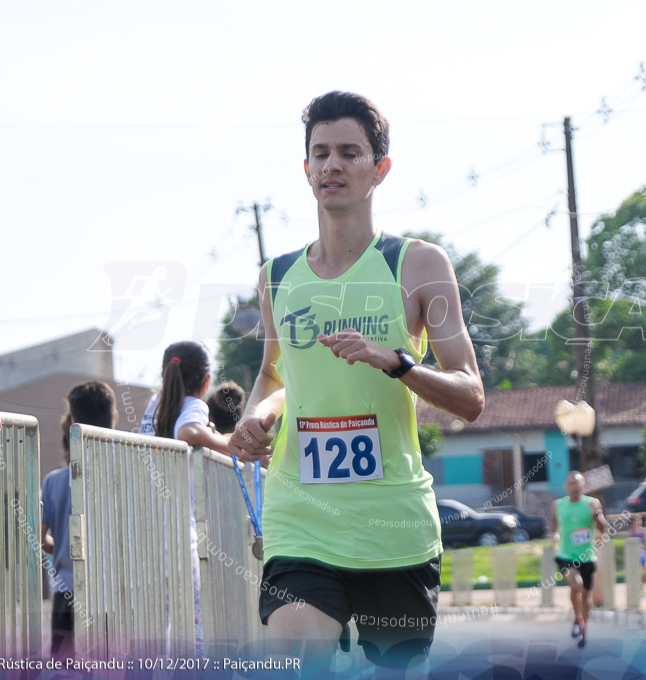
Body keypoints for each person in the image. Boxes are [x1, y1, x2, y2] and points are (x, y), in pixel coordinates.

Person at [230, 91, 484, 674]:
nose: (332, 165)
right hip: (300, 516)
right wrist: (257, 415)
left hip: (393, 527)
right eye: (320, 154)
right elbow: (275, 373)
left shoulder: (418, 264)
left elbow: (471, 396)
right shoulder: (277, 277)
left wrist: (396, 361)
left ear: (380, 169)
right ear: (306, 170)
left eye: (349, 152)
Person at [140, 340, 234, 657]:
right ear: (206, 382)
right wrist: (228, 445)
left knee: (154, 635)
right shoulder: (193, 406)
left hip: (143, 540)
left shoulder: (152, 406)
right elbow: (189, 431)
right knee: (196, 633)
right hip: (179, 541)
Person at [41, 380, 117, 659]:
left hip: (67, 589)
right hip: (113, 590)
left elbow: (40, 538)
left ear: (72, 422)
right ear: (115, 418)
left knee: (64, 664)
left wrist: (63, 546)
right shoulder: (126, 472)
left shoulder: (54, 482)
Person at [552, 471, 609, 648]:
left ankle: (584, 627)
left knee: (586, 596)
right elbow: (555, 523)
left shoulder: (592, 503)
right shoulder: (558, 505)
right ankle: (578, 618)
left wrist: (597, 514)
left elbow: (603, 528)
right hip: (565, 555)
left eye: (577, 483)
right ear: (566, 487)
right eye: (570, 483)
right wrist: (554, 535)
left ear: (583, 486)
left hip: (587, 556)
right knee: (575, 585)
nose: (574, 487)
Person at [628, 514, 646, 597]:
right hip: (635, 555)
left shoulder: (644, 531)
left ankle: (642, 587)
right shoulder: (631, 532)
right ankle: (636, 589)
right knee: (636, 572)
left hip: (643, 554)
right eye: (636, 520)